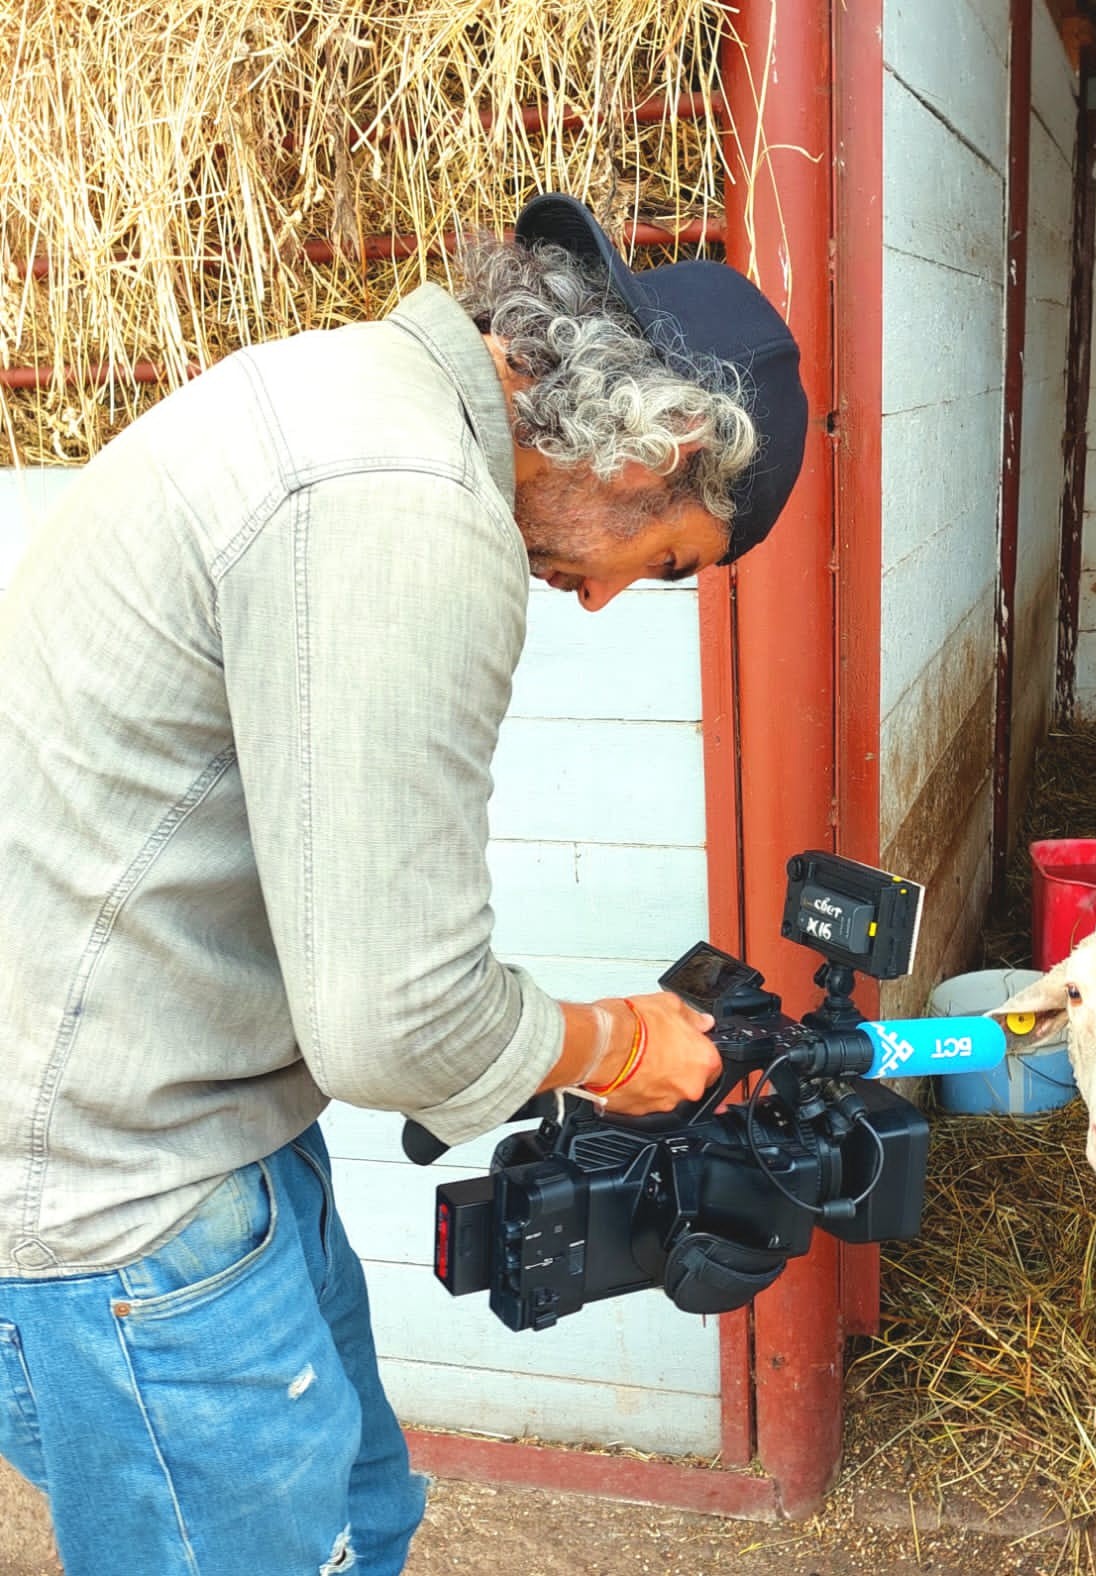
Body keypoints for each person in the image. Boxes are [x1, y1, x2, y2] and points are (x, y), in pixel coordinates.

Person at [0, 193, 807, 1576]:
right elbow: (398, 1022)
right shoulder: (407, 510)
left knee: (365, 1519)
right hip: (126, 1185)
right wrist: (621, 1045)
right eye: (665, 565)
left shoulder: (338, 391)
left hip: (190, 1111)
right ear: (663, 449)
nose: (606, 601)